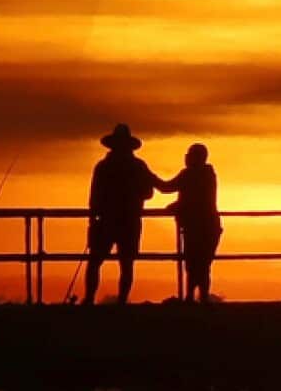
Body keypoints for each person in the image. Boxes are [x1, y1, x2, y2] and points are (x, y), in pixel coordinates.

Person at [85, 124, 159, 305]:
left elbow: (94, 196)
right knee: (126, 263)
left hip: (106, 221)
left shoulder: (103, 166)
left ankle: (89, 299)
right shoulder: (139, 166)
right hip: (130, 220)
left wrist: (93, 218)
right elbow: (150, 192)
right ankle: (122, 301)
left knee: (95, 261)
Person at [158, 143, 223, 303]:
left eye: (189, 154)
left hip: (198, 227)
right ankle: (200, 298)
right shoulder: (208, 175)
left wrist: (149, 178)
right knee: (201, 264)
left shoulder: (190, 175)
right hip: (210, 226)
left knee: (195, 264)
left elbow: (167, 188)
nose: (186, 157)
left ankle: (193, 297)